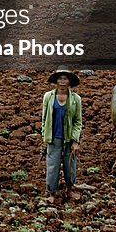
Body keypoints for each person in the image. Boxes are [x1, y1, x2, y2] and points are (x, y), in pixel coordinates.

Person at [41, 66, 83, 204]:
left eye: (65, 79)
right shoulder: (48, 97)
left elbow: (78, 121)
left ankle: (69, 190)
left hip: (69, 138)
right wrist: (45, 135)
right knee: (52, 166)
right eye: (60, 78)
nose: (63, 81)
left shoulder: (76, 99)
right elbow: (44, 118)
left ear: (69, 82)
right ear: (56, 81)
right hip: (54, 138)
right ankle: (51, 192)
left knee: (70, 165)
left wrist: (75, 141)